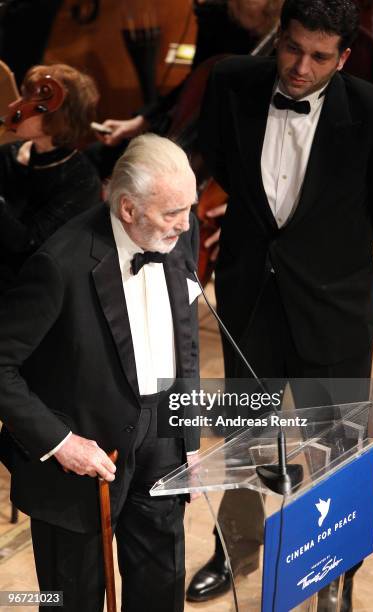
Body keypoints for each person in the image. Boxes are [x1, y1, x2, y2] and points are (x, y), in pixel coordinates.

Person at [188, 0, 373, 609]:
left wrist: (320, 249)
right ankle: (238, 546)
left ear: (342, 57)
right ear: (278, 37)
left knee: (334, 443)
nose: (300, 67)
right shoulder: (232, 83)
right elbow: (220, 163)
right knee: (244, 433)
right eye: (292, 48)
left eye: (318, 56)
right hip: (250, 296)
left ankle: (334, 573)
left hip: (333, 306)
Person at [0, 133, 200, 612]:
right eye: (171, 213)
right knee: (71, 599)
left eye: (187, 209)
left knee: (161, 588)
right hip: (83, 459)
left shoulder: (177, 232)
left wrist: (187, 437)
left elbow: (186, 335)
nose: (185, 224)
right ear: (127, 208)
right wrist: (61, 442)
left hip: (163, 440)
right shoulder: (58, 263)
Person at [86, 0, 281, 180]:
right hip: (192, 131)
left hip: (243, 144)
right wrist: (140, 121)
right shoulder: (215, 14)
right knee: (97, 158)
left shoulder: (291, 25)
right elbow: (195, 82)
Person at [0, 63, 101, 291]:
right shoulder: (8, 154)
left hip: (25, 291)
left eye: (28, 100)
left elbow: (27, 245)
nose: (14, 106)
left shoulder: (81, 181)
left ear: (59, 117)